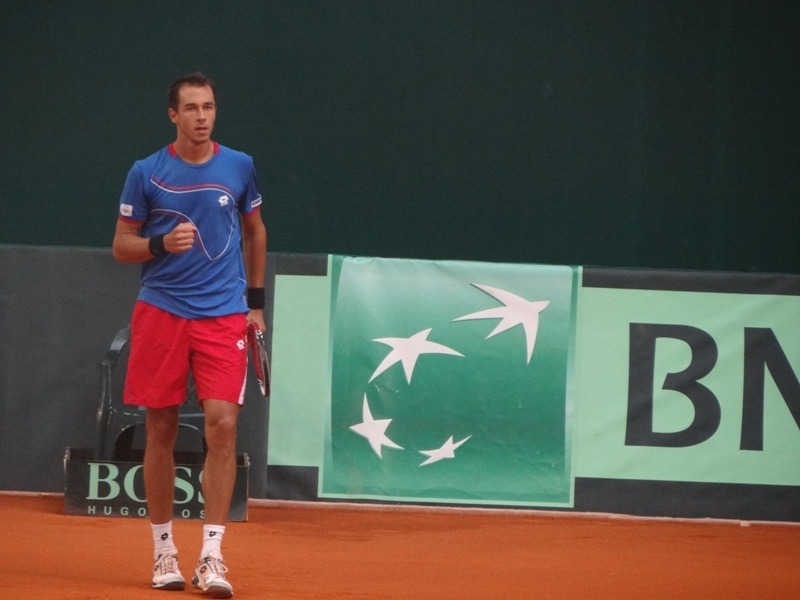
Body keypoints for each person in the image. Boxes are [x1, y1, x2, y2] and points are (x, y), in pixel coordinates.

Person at [112, 72, 267, 598]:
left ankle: (212, 557)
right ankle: (164, 551)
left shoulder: (239, 165)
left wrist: (255, 304)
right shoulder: (146, 172)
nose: (202, 116)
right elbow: (122, 245)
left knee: (223, 425)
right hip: (162, 311)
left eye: (209, 107)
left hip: (223, 314)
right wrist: (160, 244)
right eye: (192, 108)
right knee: (160, 428)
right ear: (173, 116)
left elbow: (255, 232)